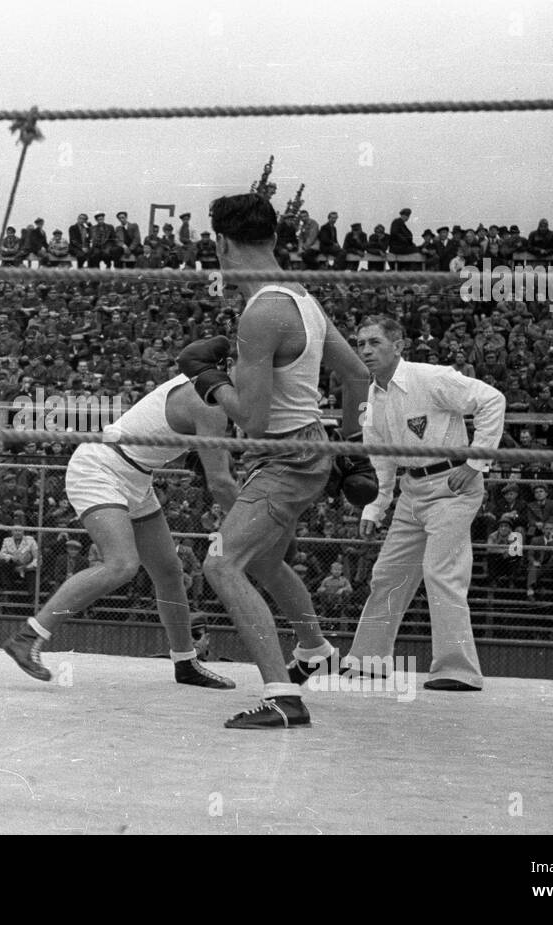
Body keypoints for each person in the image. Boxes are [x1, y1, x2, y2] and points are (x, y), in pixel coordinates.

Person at [174, 193, 374, 729]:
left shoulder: (262, 313)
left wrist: (211, 383)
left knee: (222, 564)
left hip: (284, 459)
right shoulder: (303, 299)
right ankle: (314, 650)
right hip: (310, 450)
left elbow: (254, 422)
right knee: (264, 561)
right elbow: (357, 377)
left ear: (221, 243)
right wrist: (353, 451)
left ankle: (284, 697)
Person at [0, 363, 245, 692]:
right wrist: (255, 523)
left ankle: (186, 662)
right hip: (101, 468)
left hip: (135, 475)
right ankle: (29, 635)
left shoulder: (207, 392)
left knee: (169, 571)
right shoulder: (209, 404)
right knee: (121, 564)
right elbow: (219, 483)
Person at [344, 314, 506, 691]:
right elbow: (381, 457)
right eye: (360, 344)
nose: (365, 350)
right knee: (387, 573)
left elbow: (492, 399)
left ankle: (457, 670)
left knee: (440, 572)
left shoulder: (431, 377)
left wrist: (476, 462)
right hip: (411, 490)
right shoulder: (373, 396)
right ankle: (369, 660)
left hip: (452, 485)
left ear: (398, 346)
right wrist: (375, 507)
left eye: (374, 343)